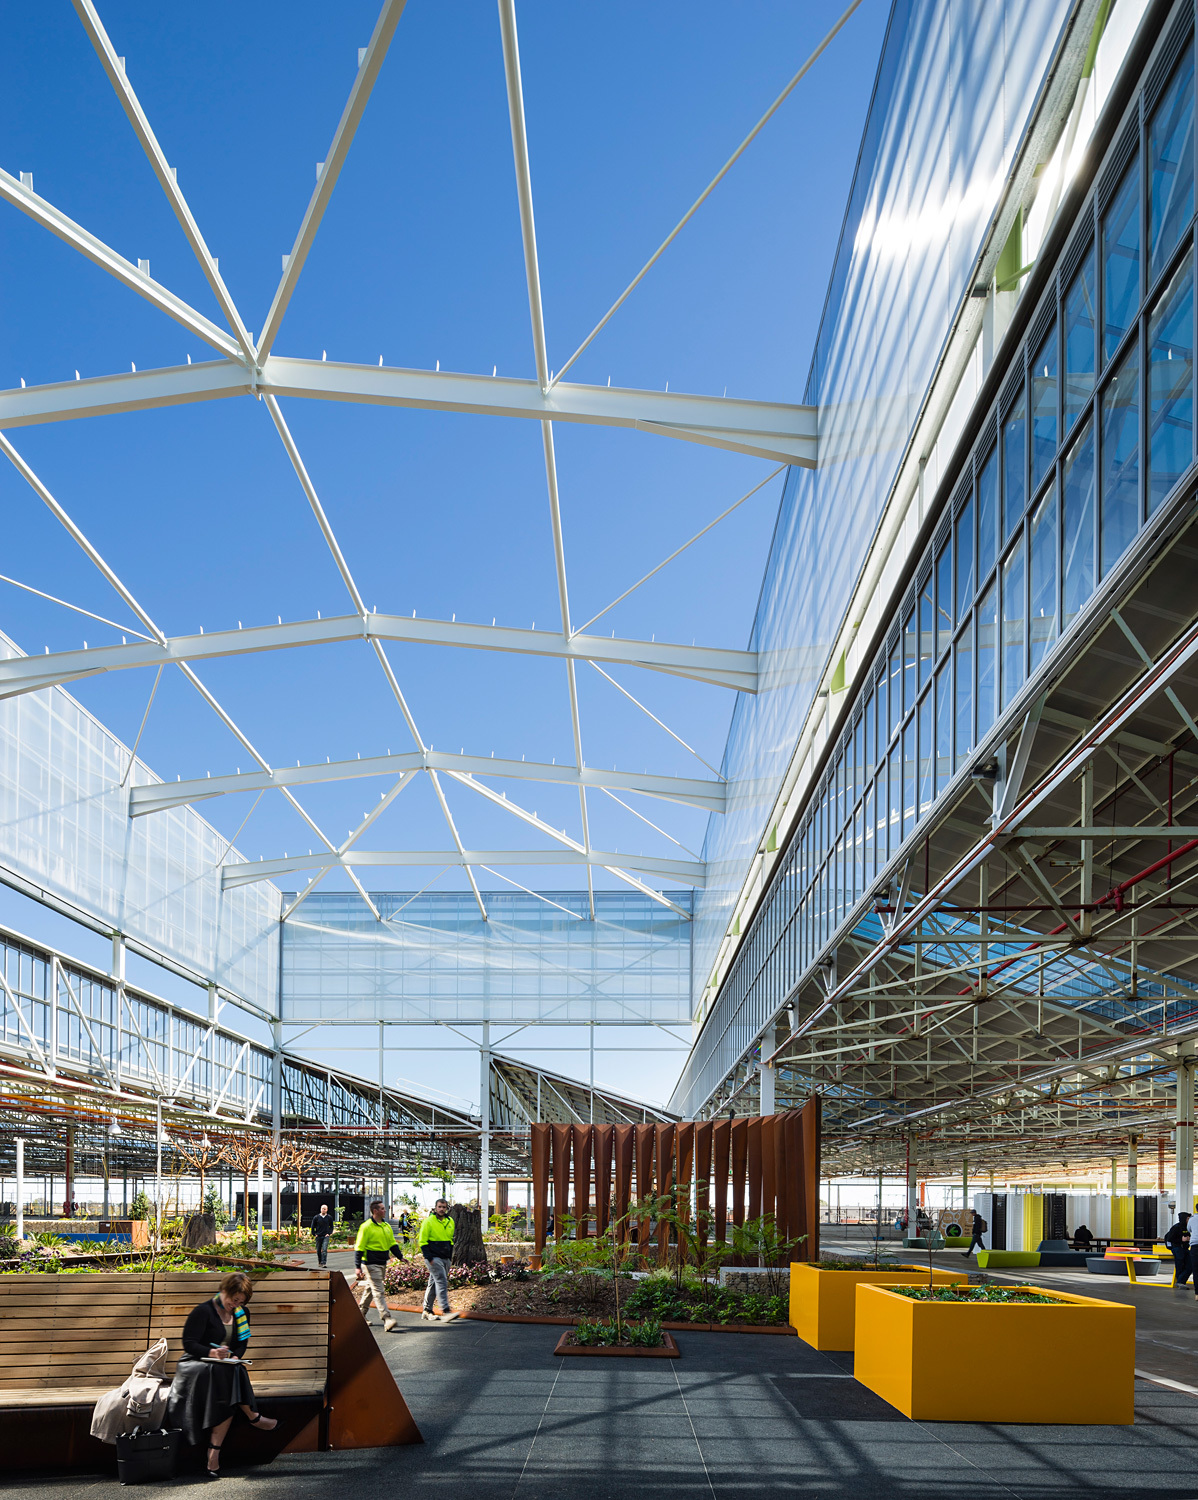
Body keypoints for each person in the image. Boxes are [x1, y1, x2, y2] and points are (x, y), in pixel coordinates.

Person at [168, 1271, 278, 1479]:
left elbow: (242, 1343)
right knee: (230, 1373)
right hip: (195, 1364)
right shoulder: (203, 1311)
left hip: (223, 1367)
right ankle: (253, 1416)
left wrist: (235, 1356)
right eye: (234, 1300)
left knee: (233, 1370)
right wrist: (212, 1353)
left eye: (241, 1302)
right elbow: (189, 1345)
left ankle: (214, 1454)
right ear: (224, 1291)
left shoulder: (241, 1313)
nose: (236, 1305)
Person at [354, 1198, 405, 1332]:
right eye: (382, 1208)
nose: (385, 1210)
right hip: (370, 1264)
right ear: (375, 1211)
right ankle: (387, 1318)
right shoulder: (366, 1226)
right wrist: (357, 1267)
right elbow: (359, 1247)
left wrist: (400, 1257)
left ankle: (360, 1314)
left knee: (371, 1288)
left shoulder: (386, 1226)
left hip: (382, 1263)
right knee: (379, 1291)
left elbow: (392, 1244)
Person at [418, 1198, 458, 1323]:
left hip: (445, 1258)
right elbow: (422, 1241)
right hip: (433, 1258)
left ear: (447, 1208)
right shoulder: (428, 1222)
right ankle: (445, 1311)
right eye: (439, 1206)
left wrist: (450, 1257)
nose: (441, 1209)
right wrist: (428, 1258)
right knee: (441, 1281)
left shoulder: (450, 1221)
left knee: (433, 1283)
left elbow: (451, 1240)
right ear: (435, 1207)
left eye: (444, 1207)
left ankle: (427, 1310)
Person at [1165, 1212, 1192, 1286]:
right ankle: (1180, 1281)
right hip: (1177, 1248)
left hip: (1185, 1248)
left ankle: (1181, 1281)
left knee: (1191, 1264)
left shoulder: (1187, 1227)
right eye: (1187, 1218)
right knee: (1180, 1264)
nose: (1189, 1220)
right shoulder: (1176, 1227)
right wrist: (1181, 1240)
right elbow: (1170, 1238)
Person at [310, 1203, 335, 1268]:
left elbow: (331, 1226)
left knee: (324, 1249)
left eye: (324, 1209)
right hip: (318, 1235)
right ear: (320, 1209)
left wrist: (329, 1233)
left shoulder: (329, 1217)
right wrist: (314, 1234)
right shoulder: (316, 1217)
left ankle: (324, 1263)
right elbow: (313, 1226)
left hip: (325, 1236)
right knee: (318, 1250)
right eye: (322, 1209)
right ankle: (320, 1261)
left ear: (327, 1210)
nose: (323, 1210)